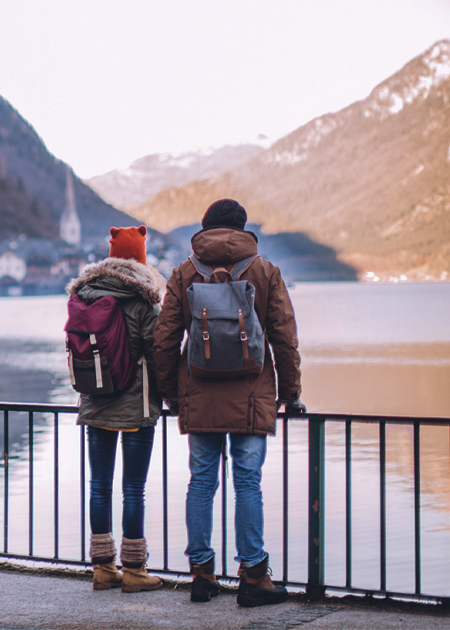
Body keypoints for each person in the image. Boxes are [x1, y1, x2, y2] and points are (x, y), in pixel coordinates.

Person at [152, 199, 305, 607]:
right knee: (247, 482)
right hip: (252, 395)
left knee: (201, 482)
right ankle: (253, 576)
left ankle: (202, 574)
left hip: (198, 394)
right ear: (242, 228)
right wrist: (290, 394)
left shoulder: (185, 272)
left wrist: (170, 393)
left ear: (205, 228)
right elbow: (283, 338)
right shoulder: (264, 270)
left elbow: (165, 342)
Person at [66, 225, 165, 593]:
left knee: (99, 486)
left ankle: (103, 568)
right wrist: (166, 395)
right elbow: (156, 354)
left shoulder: (84, 294)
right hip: (136, 405)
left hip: (94, 401)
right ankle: (136, 571)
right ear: (141, 257)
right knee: (133, 489)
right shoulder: (142, 299)